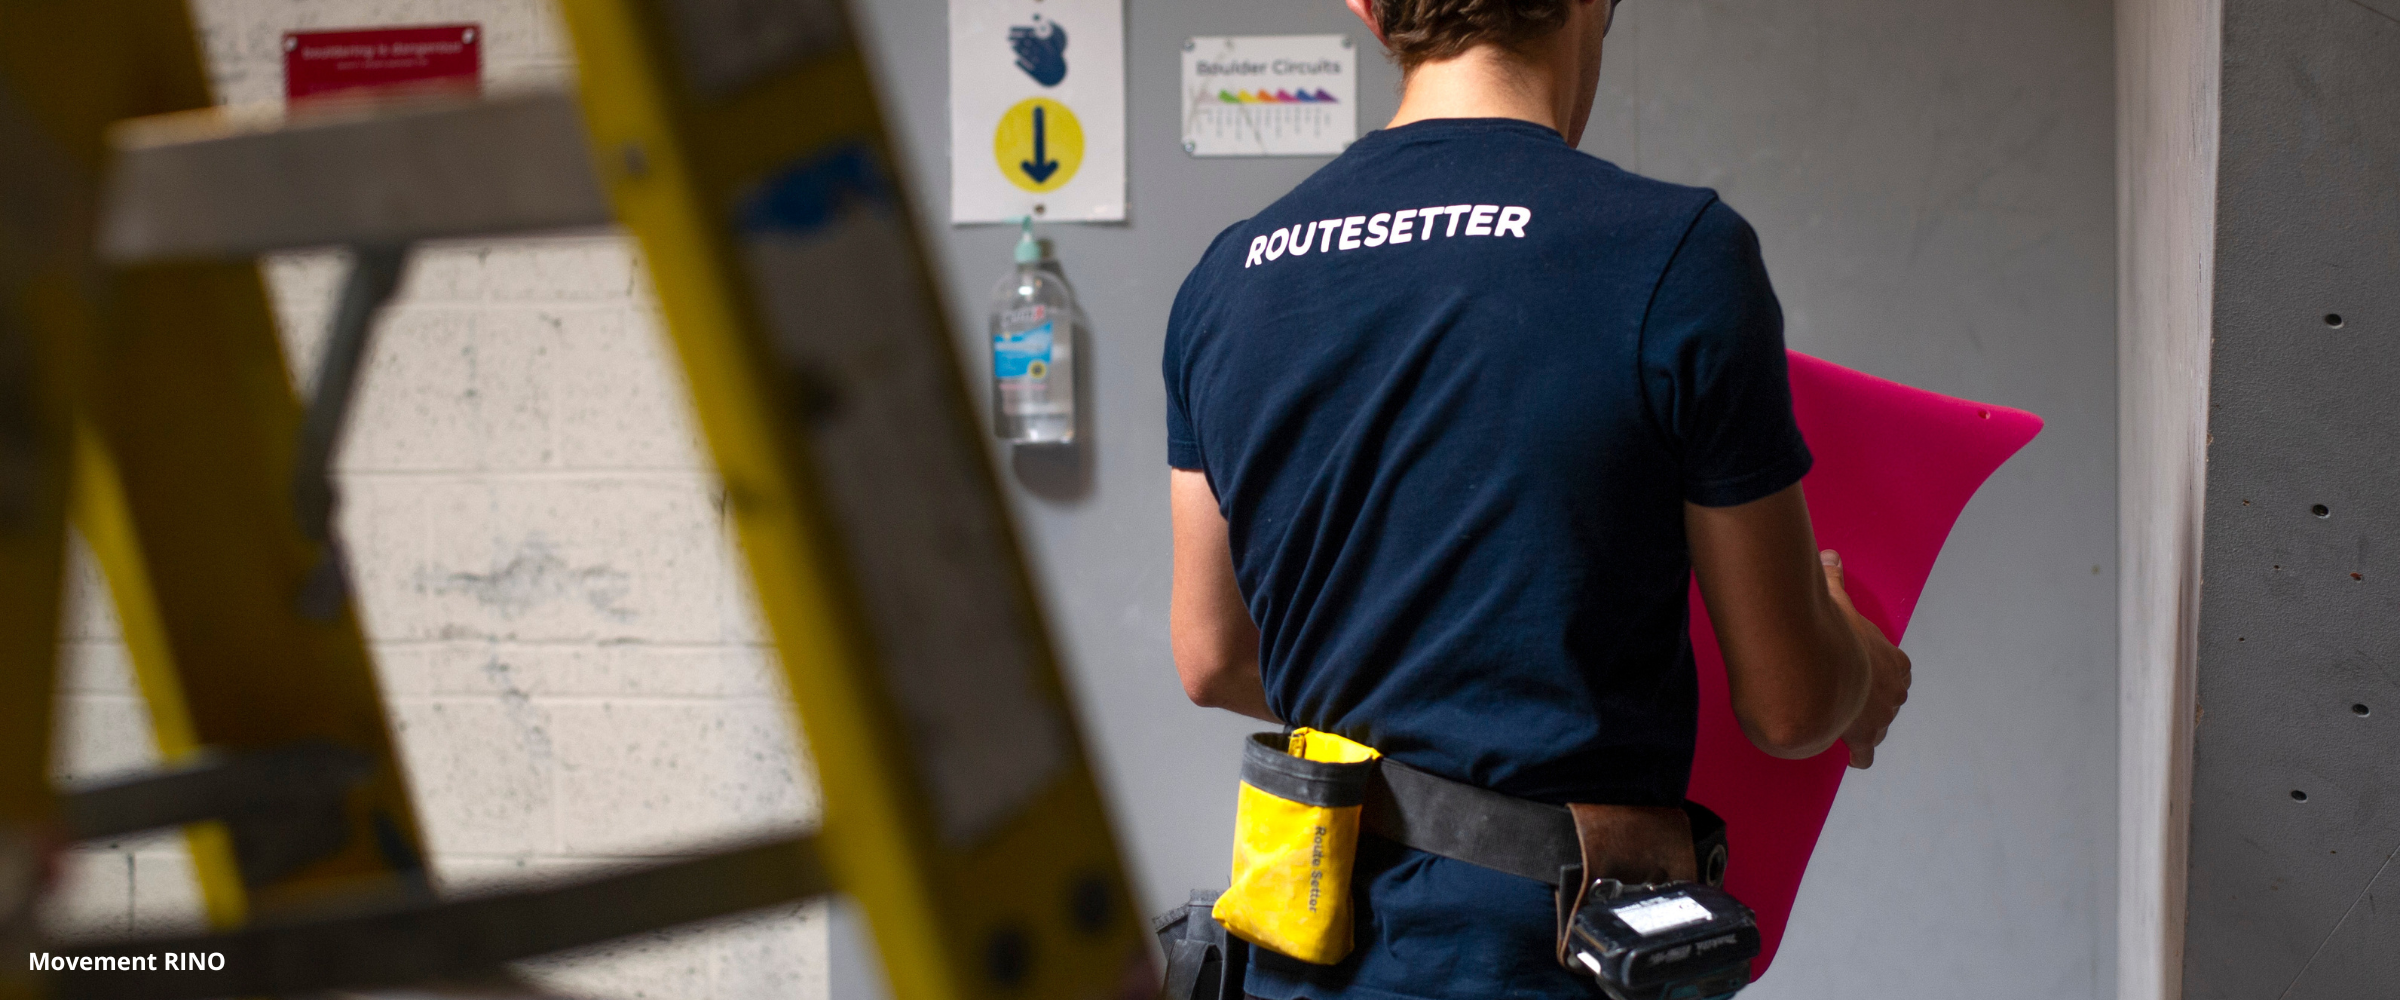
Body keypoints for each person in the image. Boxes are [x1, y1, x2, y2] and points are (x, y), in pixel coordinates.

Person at [1161, 0, 1914, 997]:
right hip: (1539, 963)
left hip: (1302, 952)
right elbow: (1790, 702)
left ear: (1363, 5)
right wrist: (1856, 659)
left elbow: (1212, 656)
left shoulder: (1226, 281)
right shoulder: (1677, 255)